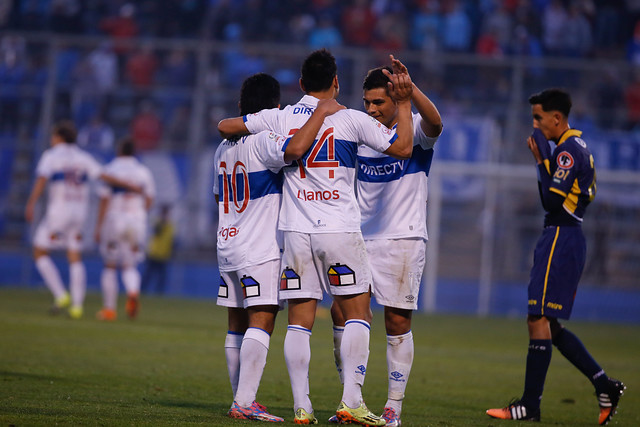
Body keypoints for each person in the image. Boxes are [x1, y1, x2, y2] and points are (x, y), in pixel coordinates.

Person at [218, 48, 415, 426]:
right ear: (336, 83)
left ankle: (302, 407)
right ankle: (351, 401)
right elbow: (404, 147)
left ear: (302, 84)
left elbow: (226, 126)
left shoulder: (280, 116)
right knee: (358, 311)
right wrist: (403, 104)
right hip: (338, 227)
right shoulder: (352, 119)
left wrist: (260, 121)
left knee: (299, 320)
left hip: (295, 232)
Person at [486, 89, 625, 425]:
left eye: (538, 118)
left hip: (562, 235)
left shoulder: (566, 151)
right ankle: (604, 384)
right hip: (567, 235)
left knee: (538, 319)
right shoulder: (578, 148)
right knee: (548, 322)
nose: (534, 124)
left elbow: (551, 201)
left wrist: (540, 160)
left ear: (556, 118)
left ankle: (530, 406)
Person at [214, 72, 345, 423]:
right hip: (260, 246)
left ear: (242, 106)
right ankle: (244, 401)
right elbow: (295, 151)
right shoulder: (263, 139)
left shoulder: (222, 148)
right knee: (263, 320)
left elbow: (218, 196)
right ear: (274, 107)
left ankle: (240, 398)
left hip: (227, 243)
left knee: (235, 324)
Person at [328, 57, 443, 426]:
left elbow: (436, 122)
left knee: (396, 320)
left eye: (379, 102)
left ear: (395, 100)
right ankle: (351, 399)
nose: (373, 109)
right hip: (360, 237)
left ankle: (393, 406)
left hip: (403, 239)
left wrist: (411, 93)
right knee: (340, 313)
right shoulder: (361, 133)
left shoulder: (414, 131)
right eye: (368, 103)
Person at [24, 120, 139, 319]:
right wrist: (128, 185)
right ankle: (77, 306)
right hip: (79, 213)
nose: (51, 139)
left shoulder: (51, 156)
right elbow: (104, 175)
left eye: (53, 136)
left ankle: (60, 295)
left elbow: (42, 178)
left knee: (39, 250)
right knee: (74, 256)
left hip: (58, 212)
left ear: (59, 137)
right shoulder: (83, 157)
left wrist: (31, 202)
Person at [94, 137, 155, 321]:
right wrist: (139, 215)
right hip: (136, 221)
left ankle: (109, 309)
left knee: (110, 265)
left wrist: (98, 226)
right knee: (129, 265)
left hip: (115, 220)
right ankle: (133, 292)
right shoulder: (143, 172)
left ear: (119, 150)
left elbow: (104, 199)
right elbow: (149, 199)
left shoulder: (110, 169)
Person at [140, 204, 175, 295]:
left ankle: (159, 294)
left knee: (161, 277)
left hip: (164, 254)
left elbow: (171, 240)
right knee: (148, 275)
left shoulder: (170, 225)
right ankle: (141, 291)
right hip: (154, 253)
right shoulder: (158, 222)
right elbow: (157, 230)